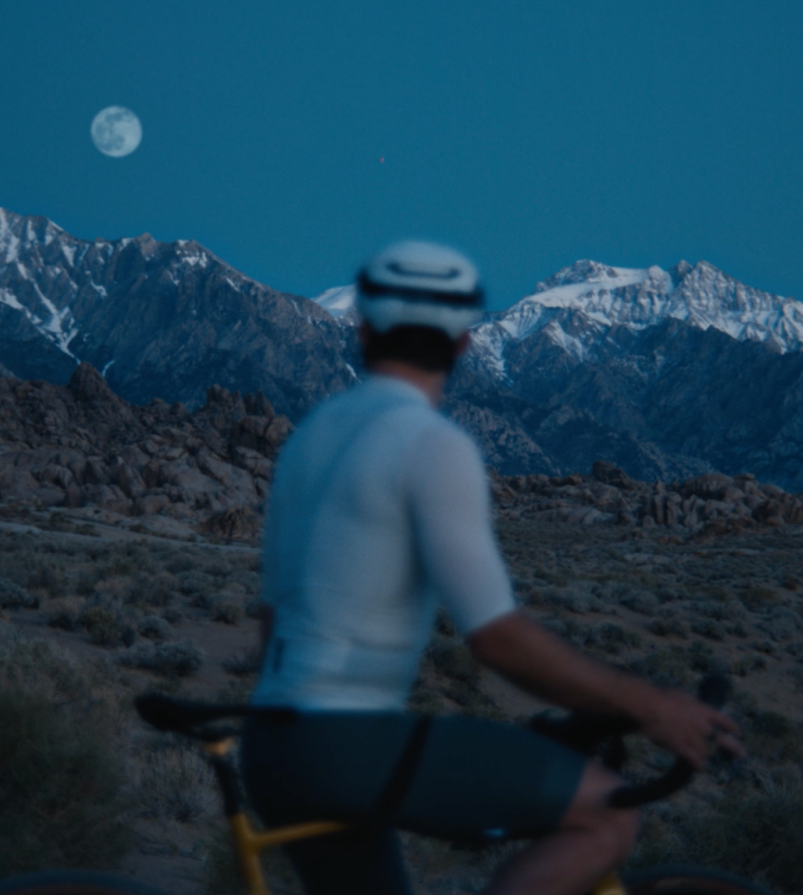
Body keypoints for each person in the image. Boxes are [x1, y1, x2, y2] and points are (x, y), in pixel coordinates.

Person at [241, 241, 743, 895]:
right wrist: (651, 705)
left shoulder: (308, 441)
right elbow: (496, 637)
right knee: (606, 812)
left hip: (271, 748)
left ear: (362, 329)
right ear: (463, 341)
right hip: (349, 745)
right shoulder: (431, 445)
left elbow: (271, 618)